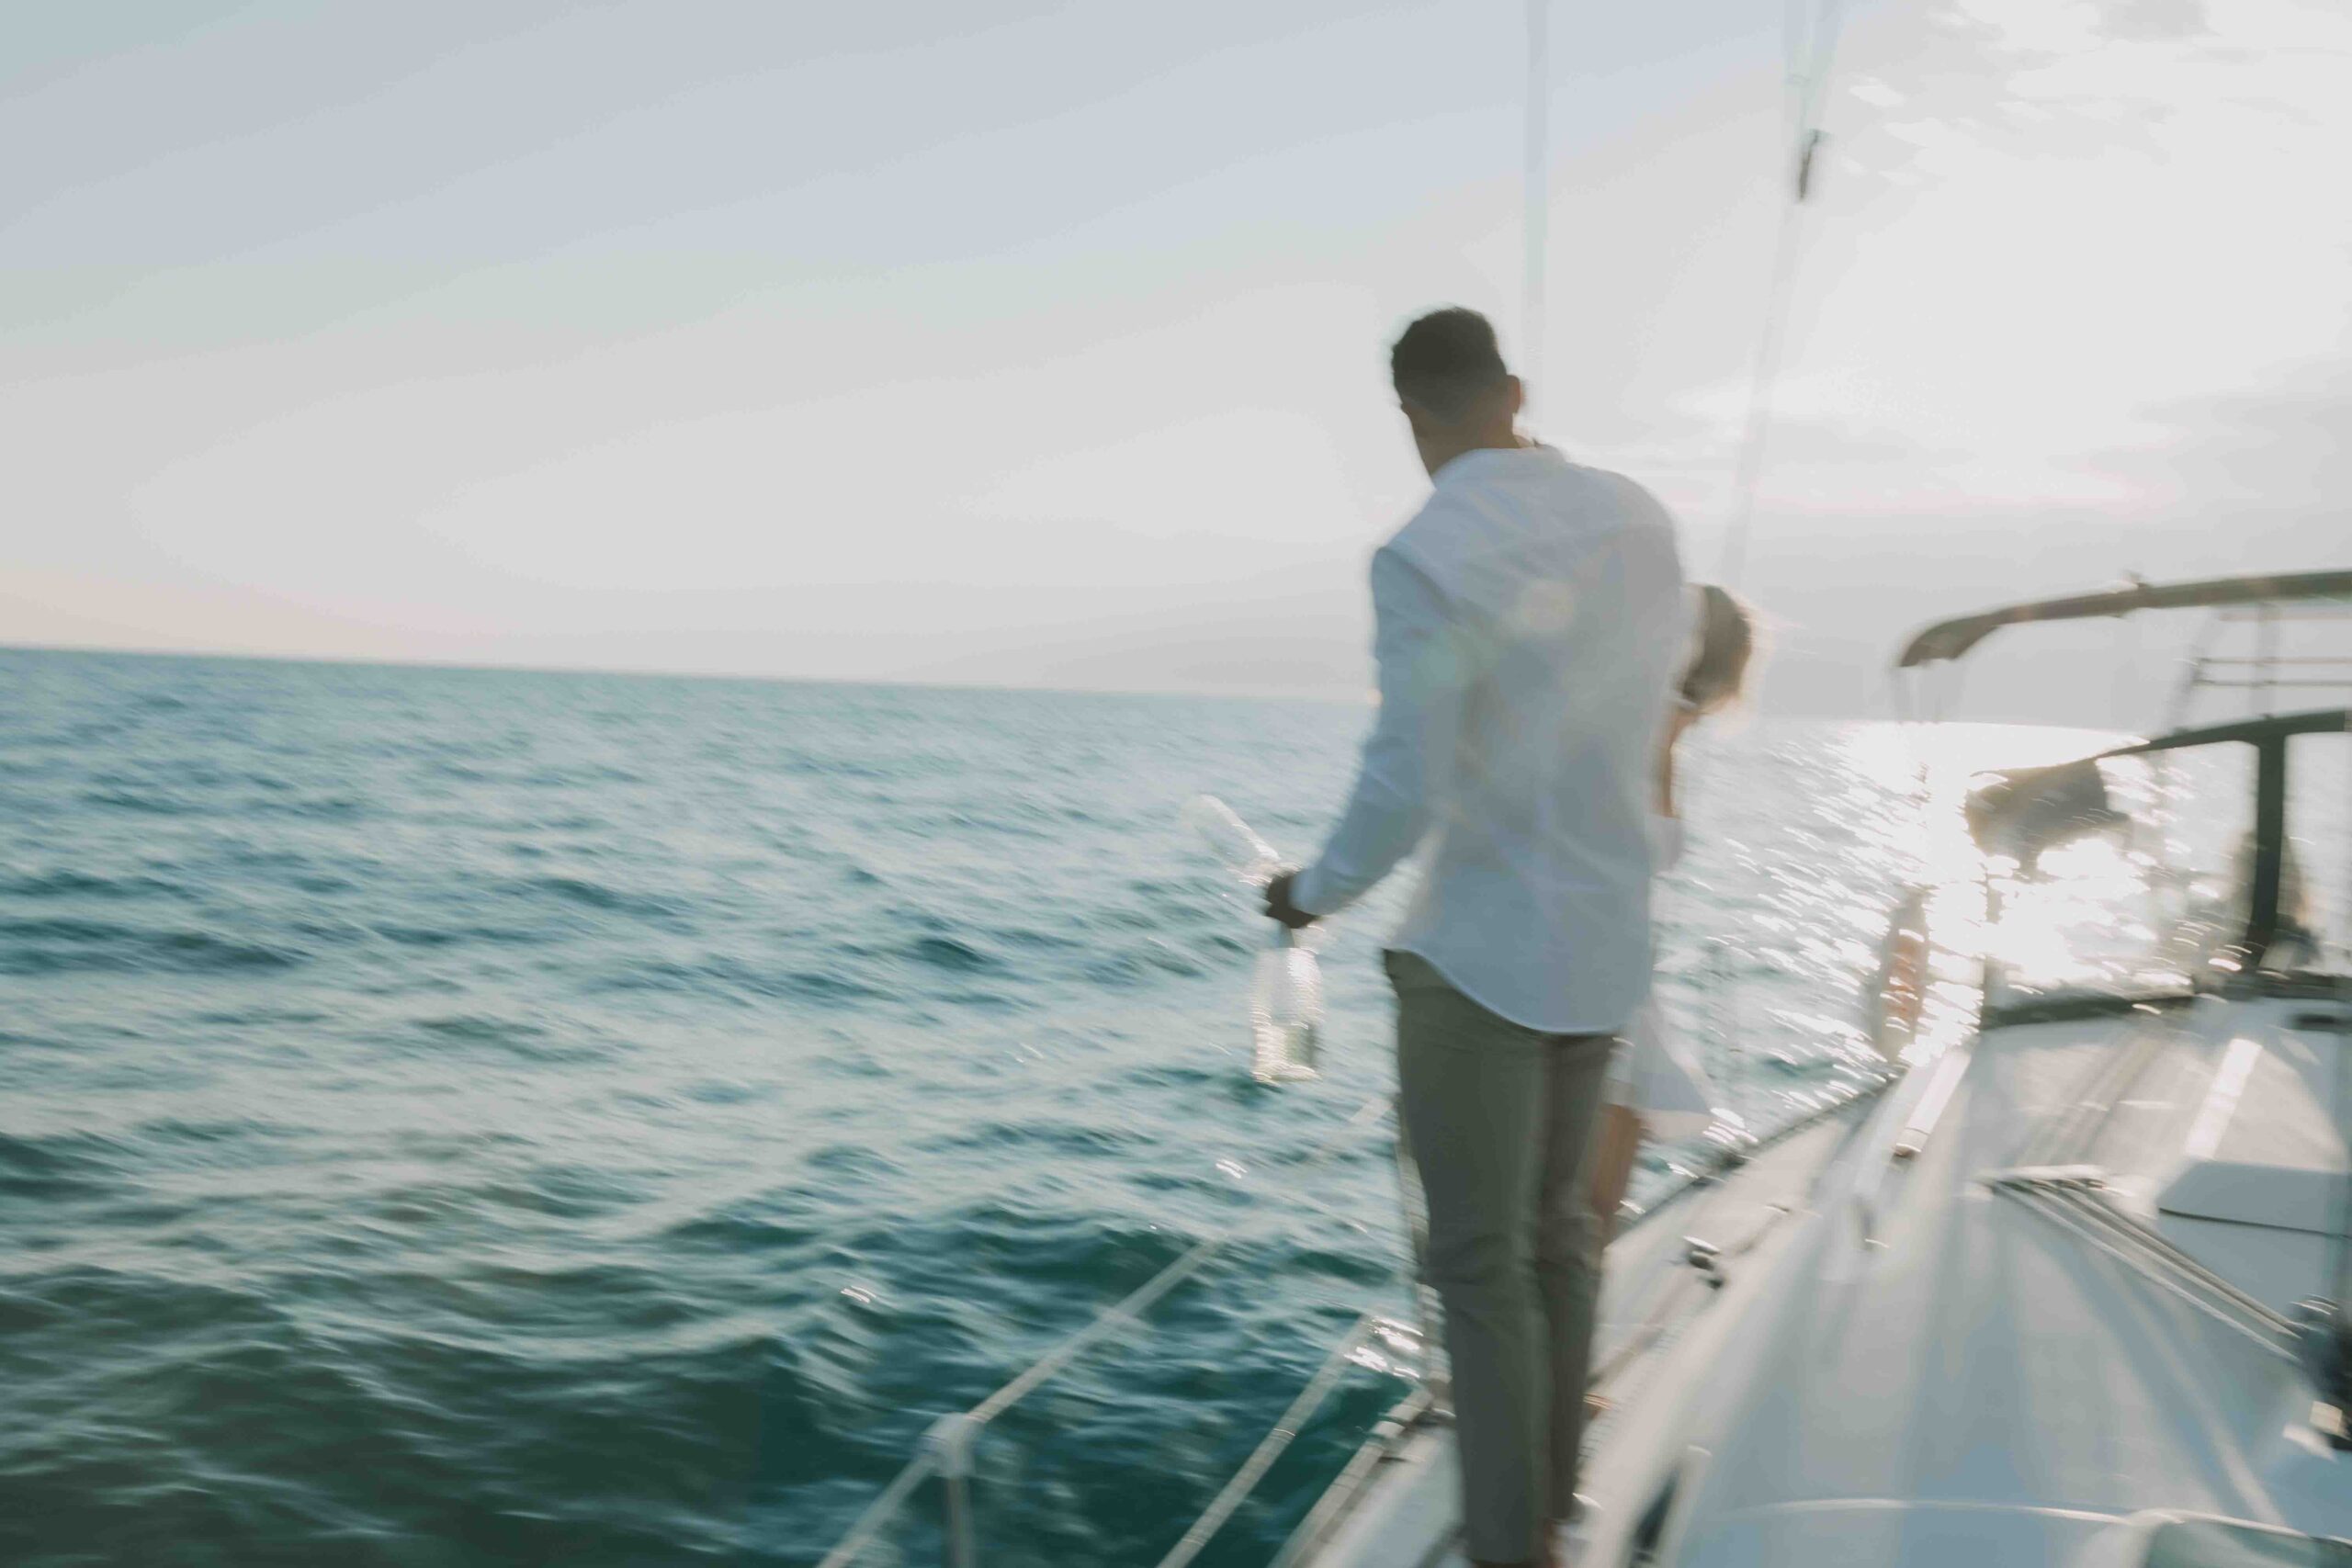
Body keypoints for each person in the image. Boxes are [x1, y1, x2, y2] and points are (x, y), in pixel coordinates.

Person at [1262, 307, 1686, 1568]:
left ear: (1411, 413)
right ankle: (1551, 1510)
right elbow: (1647, 706)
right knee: (1563, 1237)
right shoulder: (1638, 517)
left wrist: (1312, 892)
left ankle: (1514, 1549)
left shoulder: (1424, 553)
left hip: (1483, 953)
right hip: (1606, 943)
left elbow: (1407, 773)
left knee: (1480, 1265)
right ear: (1513, 388)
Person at [1587, 585, 1759, 1251]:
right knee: (1591, 1218)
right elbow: (1649, 846)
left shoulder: (1631, 715)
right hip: (1603, 985)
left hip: (1611, 976)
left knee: (1584, 1217)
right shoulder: (1653, 726)